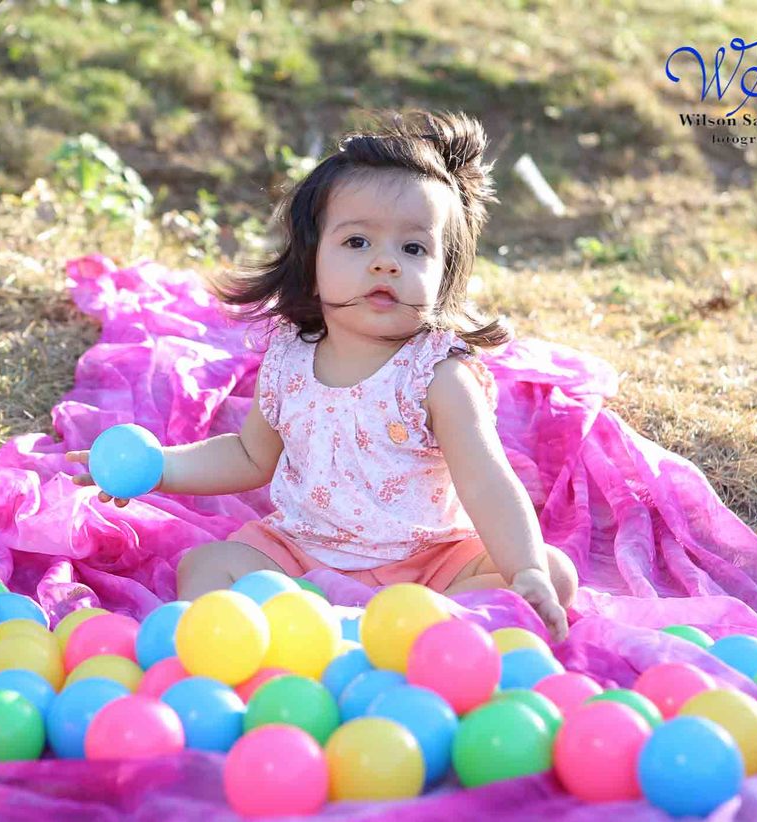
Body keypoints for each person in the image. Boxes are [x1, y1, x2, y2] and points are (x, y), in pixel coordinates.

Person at [68, 109, 576, 641]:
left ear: (444, 274)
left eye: (414, 248)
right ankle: (324, 631)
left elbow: (486, 481)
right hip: (300, 556)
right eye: (358, 242)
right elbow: (248, 456)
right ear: (311, 262)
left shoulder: (438, 376)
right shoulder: (289, 359)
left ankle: (409, 633)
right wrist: (156, 467)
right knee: (207, 567)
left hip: (431, 566)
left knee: (554, 573)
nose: (386, 263)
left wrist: (527, 570)